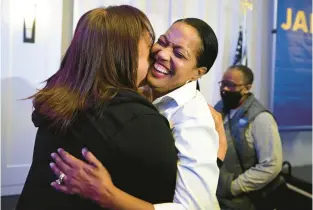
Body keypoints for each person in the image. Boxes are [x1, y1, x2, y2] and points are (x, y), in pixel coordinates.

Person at [16, 6, 179, 210]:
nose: (155, 60)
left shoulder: (60, 98)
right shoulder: (140, 122)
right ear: (123, 58)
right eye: (148, 54)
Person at [49, 17, 221, 209]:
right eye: (163, 42)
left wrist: (107, 195)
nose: (163, 54)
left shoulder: (193, 119)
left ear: (198, 73)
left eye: (179, 54)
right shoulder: (138, 87)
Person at [214, 65, 285, 210]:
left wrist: (233, 187)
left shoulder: (261, 118)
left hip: (243, 201)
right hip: (217, 197)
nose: (225, 89)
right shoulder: (220, 107)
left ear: (247, 88)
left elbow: (271, 164)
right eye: (223, 84)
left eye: (232, 85)